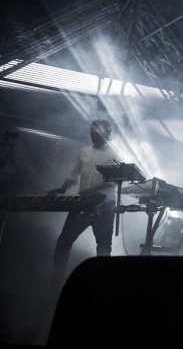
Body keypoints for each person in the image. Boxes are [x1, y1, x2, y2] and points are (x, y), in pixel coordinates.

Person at [47, 119, 120, 289]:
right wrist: (63, 188)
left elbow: (117, 180)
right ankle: (56, 281)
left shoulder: (116, 154)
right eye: (92, 134)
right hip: (83, 203)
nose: (94, 137)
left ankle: (102, 286)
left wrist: (95, 187)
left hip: (105, 204)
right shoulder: (83, 152)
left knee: (103, 246)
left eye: (98, 134)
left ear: (108, 134)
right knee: (64, 241)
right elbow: (74, 175)